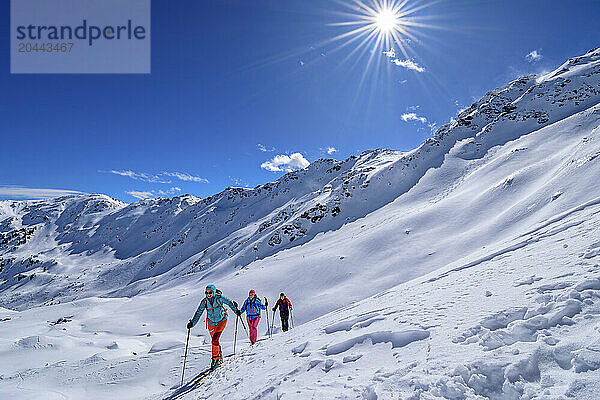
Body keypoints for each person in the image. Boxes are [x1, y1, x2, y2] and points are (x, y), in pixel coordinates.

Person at [187, 284, 240, 370]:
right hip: (211, 323)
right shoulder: (204, 302)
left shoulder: (219, 298)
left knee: (215, 339)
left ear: (214, 292)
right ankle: (219, 355)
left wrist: (236, 311)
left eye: (210, 292)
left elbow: (230, 302)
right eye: (207, 292)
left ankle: (215, 359)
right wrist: (192, 323)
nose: (208, 294)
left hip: (222, 320)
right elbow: (198, 312)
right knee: (215, 341)